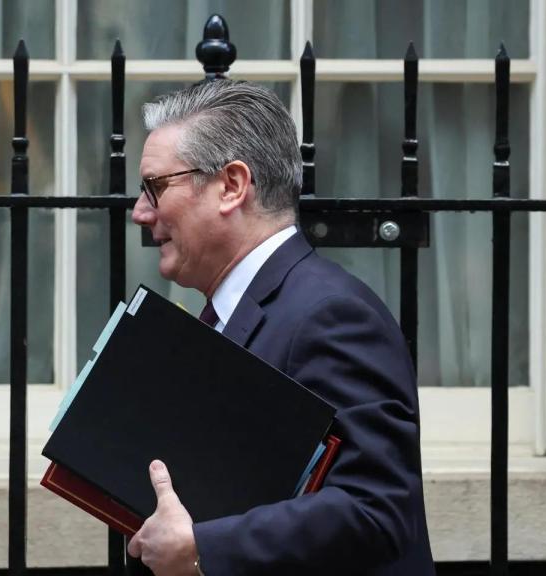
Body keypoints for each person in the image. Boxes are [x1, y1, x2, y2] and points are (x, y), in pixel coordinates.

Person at [125, 79, 435, 576]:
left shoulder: (331, 316)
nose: (141, 212)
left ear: (231, 185)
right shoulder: (230, 314)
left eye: (155, 187)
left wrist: (203, 547)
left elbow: (376, 509)